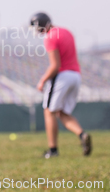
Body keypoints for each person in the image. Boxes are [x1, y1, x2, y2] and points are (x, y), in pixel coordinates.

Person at [30, 12, 92, 159]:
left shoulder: (50, 37)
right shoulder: (66, 32)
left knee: (49, 111)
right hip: (76, 76)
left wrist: (42, 80)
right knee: (61, 113)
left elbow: (55, 66)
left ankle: (53, 150)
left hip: (62, 77)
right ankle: (82, 135)